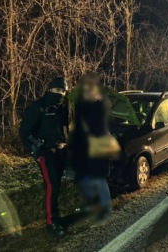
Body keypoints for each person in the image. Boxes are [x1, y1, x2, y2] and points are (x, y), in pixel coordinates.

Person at [19, 77, 69, 237]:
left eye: (63, 91)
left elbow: (64, 129)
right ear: (49, 90)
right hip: (45, 153)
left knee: (57, 186)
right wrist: (35, 147)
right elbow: (25, 132)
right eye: (57, 90)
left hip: (60, 151)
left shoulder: (63, 107)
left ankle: (56, 217)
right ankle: (51, 223)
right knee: (51, 187)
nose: (60, 93)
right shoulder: (37, 107)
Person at [70, 74, 112, 222]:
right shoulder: (85, 106)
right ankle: (90, 204)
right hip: (86, 150)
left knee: (99, 179)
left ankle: (105, 206)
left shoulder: (100, 106)